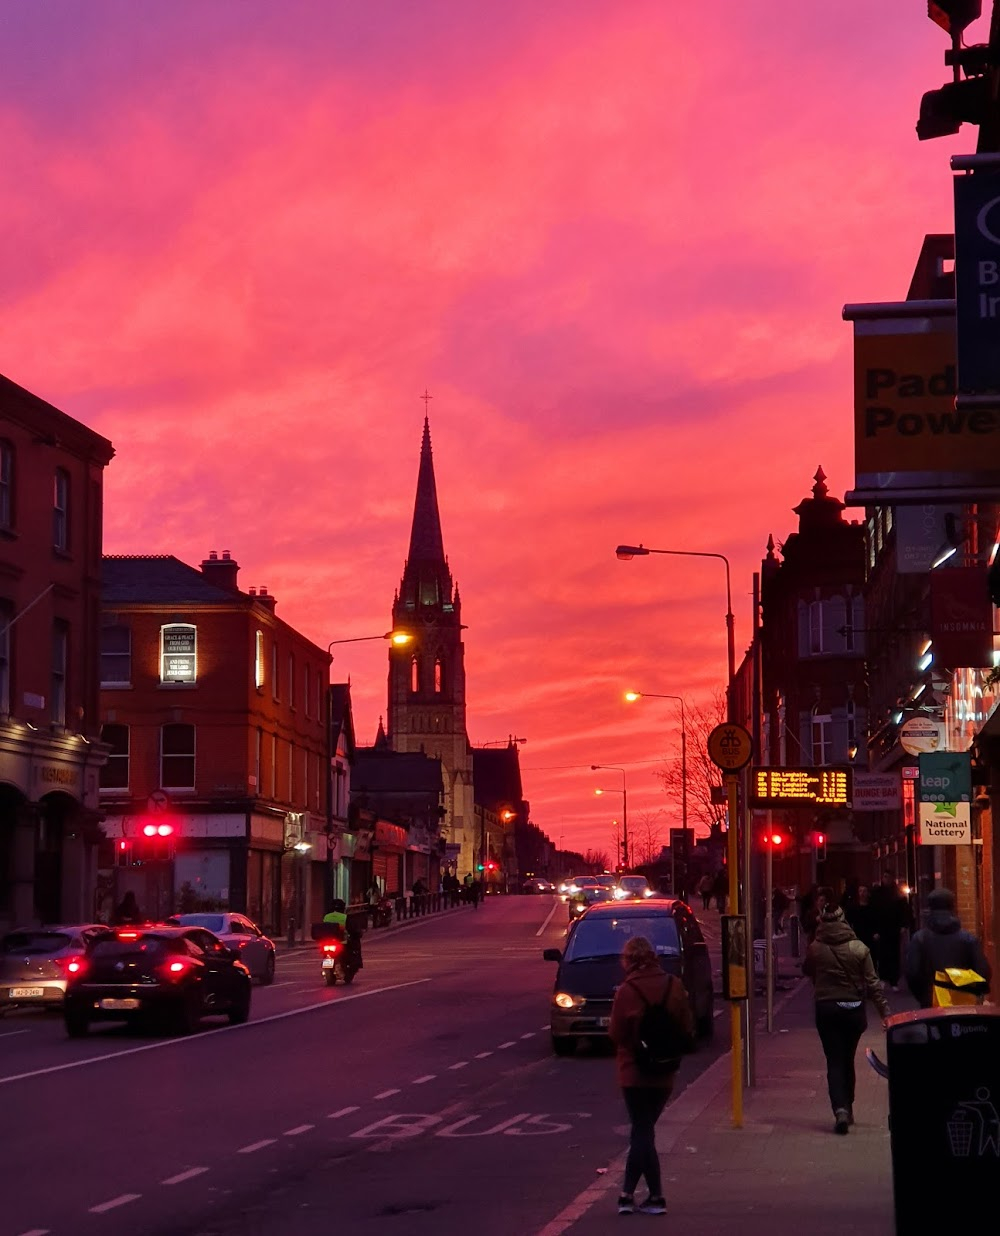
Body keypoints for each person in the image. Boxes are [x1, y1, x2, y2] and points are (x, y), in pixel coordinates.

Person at [608, 935, 694, 1216]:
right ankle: (629, 1195)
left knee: (641, 1131)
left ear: (629, 960)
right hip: (665, 1069)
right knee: (643, 1129)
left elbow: (616, 1034)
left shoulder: (627, 991)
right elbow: (687, 1027)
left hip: (634, 1071)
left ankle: (654, 1197)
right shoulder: (674, 985)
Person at [803, 900, 889, 1135]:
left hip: (827, 1008)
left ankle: (840, 1108)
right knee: (848, 1058)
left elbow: (807, 970)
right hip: (852, 1008)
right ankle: (848, 1107)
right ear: (844, 921)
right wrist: (886, 1015)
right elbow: (873, 985)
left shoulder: (815, 948)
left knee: (834, 1060)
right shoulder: (859, 948)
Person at [904, 887, 992, 1008]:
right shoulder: (968, 939)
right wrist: (972, 992)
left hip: (931, 1005)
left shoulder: (920, 939)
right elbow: (983, 971)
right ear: (953, 907)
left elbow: (912, 973)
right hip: (964, 1004)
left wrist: (925, 996)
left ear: (930, 909)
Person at [870, 873, 911, 990]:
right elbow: (873, 912)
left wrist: (903, 925)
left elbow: (904, 910)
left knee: (894, 954)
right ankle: (883, 978)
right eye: (884, 877)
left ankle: (893, 980)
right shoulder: (878, 893)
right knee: (882, 954)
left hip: (893, 928)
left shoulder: (896, 893)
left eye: (888, 877)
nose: (886, 879)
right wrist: (875, 930)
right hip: (882, 928)